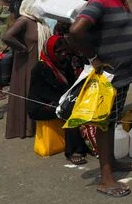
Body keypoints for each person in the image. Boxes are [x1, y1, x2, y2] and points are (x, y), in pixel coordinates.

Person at [69, 0, 132, 198]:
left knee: (112, 120)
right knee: (105, 123)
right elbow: (77, 30)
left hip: (122, 74)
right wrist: (94, 58)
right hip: (109, 76)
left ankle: (112, 162)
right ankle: (106, 177)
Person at [27, 31, 91, 165]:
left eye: (64, 51)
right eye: (59, 52)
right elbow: (44, 93)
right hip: (41, 104)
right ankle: (73, 150)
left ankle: (88, 142)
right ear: (51, 51)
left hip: (60, 98)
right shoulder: (40, 68)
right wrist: (68, 100)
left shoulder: (64, 63)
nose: (63, 54)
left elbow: (72, 83)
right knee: (69, 112)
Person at [2, 0, 49, 139]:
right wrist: (22, 49)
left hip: (36, 62)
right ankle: (24, 128)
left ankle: (33, 127)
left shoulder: (39, 21)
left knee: (34, 92)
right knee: (26, 91)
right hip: (26, 62)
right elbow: (7, 37)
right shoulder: (24, 20)